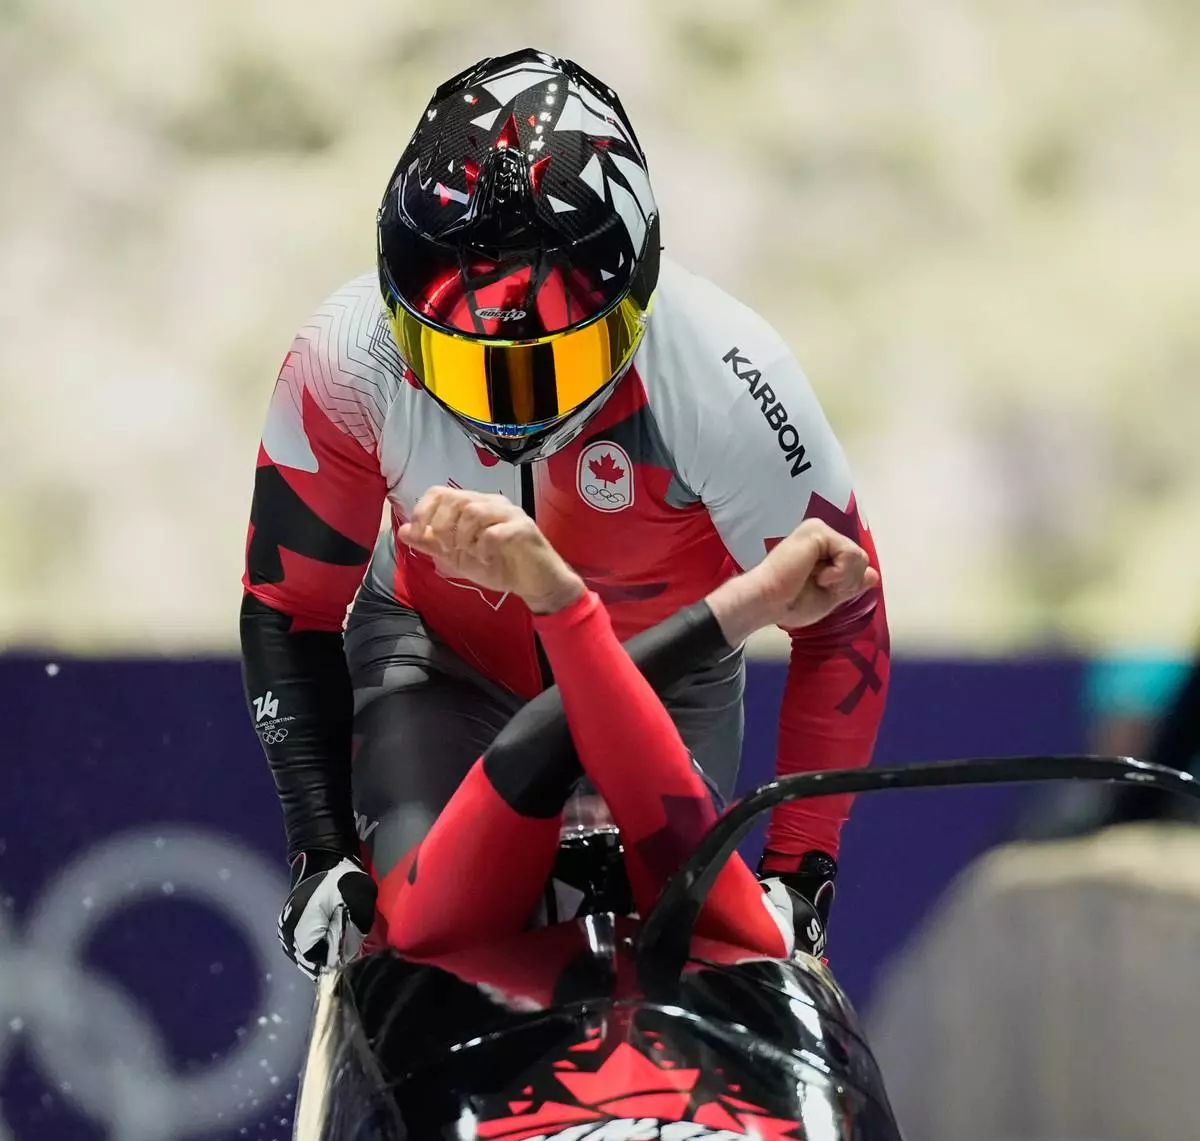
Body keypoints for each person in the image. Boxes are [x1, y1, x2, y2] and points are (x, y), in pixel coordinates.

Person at [240, 48, 889, 976]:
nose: (511, 411)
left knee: (679, 948)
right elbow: (289, 610)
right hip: (440, 663)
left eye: (552, 362)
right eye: (464, 361)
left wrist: (802, 872)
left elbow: (847, 619)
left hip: (657, 686)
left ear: (639, 305)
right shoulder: (347, 363)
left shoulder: (728, 377)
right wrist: (323, 854)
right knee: (418, 937)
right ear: (396, 315)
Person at [324, 487, 877, 962]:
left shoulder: (431, 928)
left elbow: (542, 749)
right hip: (441, 634)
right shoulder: (742, 932)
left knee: (411, 927)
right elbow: (564, 751)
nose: (585, 810)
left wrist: (558, 598)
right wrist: (744, 607)